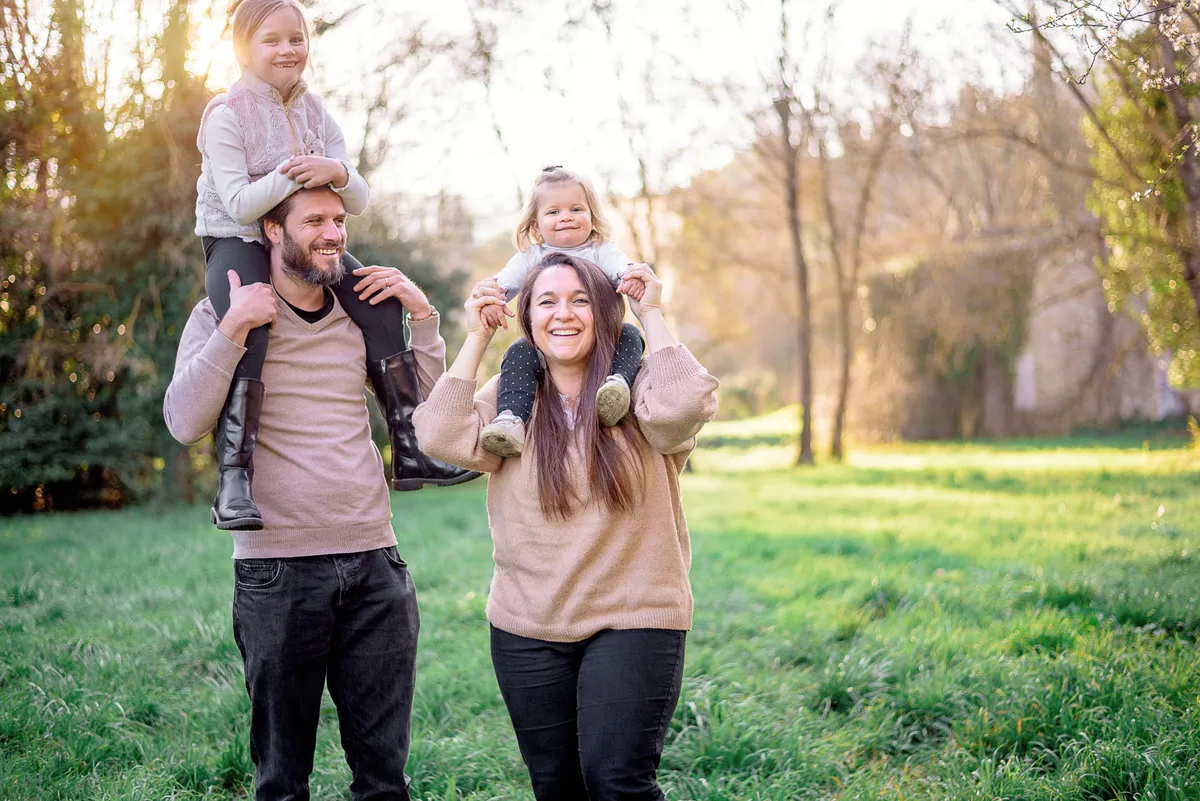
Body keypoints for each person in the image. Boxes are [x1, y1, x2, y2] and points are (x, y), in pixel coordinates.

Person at [413, 253, 719, 800]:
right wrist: (478, 338)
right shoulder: (513, 402)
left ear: (604, 312)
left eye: (581, 300)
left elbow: (689, 400)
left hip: (633, 615)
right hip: (527, 624)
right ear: (527, 318)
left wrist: (649, 312)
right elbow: (437, 434)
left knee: (616, 784)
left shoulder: (638, 391)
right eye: (547, 301)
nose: (564, 314)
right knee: (556, 789)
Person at [165, 187, 433, 801]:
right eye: (314, 220)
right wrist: (234, 325)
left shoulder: (359, 315)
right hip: (276, 571)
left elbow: (430, 414)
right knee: (282, 782)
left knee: (385, 780)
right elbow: (183, 422)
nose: (333, 232)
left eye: (338, 220)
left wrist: (423, 318)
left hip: (376, 564)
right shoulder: (219, 313)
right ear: (273, 231)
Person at [195, 0, 473, 530]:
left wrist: (338, 172)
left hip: (305, 237)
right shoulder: (226, 115)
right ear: (244, 48)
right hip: (237, 239)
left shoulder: (315, 111)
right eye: (271, 40)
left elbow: (360, 197)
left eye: (295, 39)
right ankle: (233, 480)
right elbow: (237, 203)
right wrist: (298, 176)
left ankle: (411, 447)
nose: (286, 49)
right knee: (250, 326)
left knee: (378, 300)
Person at [474, 166, 649, 458]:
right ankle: (510, 419)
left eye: (576, 209)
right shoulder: (530, 258)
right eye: (553, 212)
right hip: (552, 345)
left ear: (592, 218)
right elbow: (501, 285)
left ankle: (616, 386)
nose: (565, 216)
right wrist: (490, 298)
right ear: (535, 225)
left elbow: (623, 270)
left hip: (603, 339)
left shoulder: (600, 251)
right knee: (519, 353)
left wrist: (633, 276)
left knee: (630, 334)